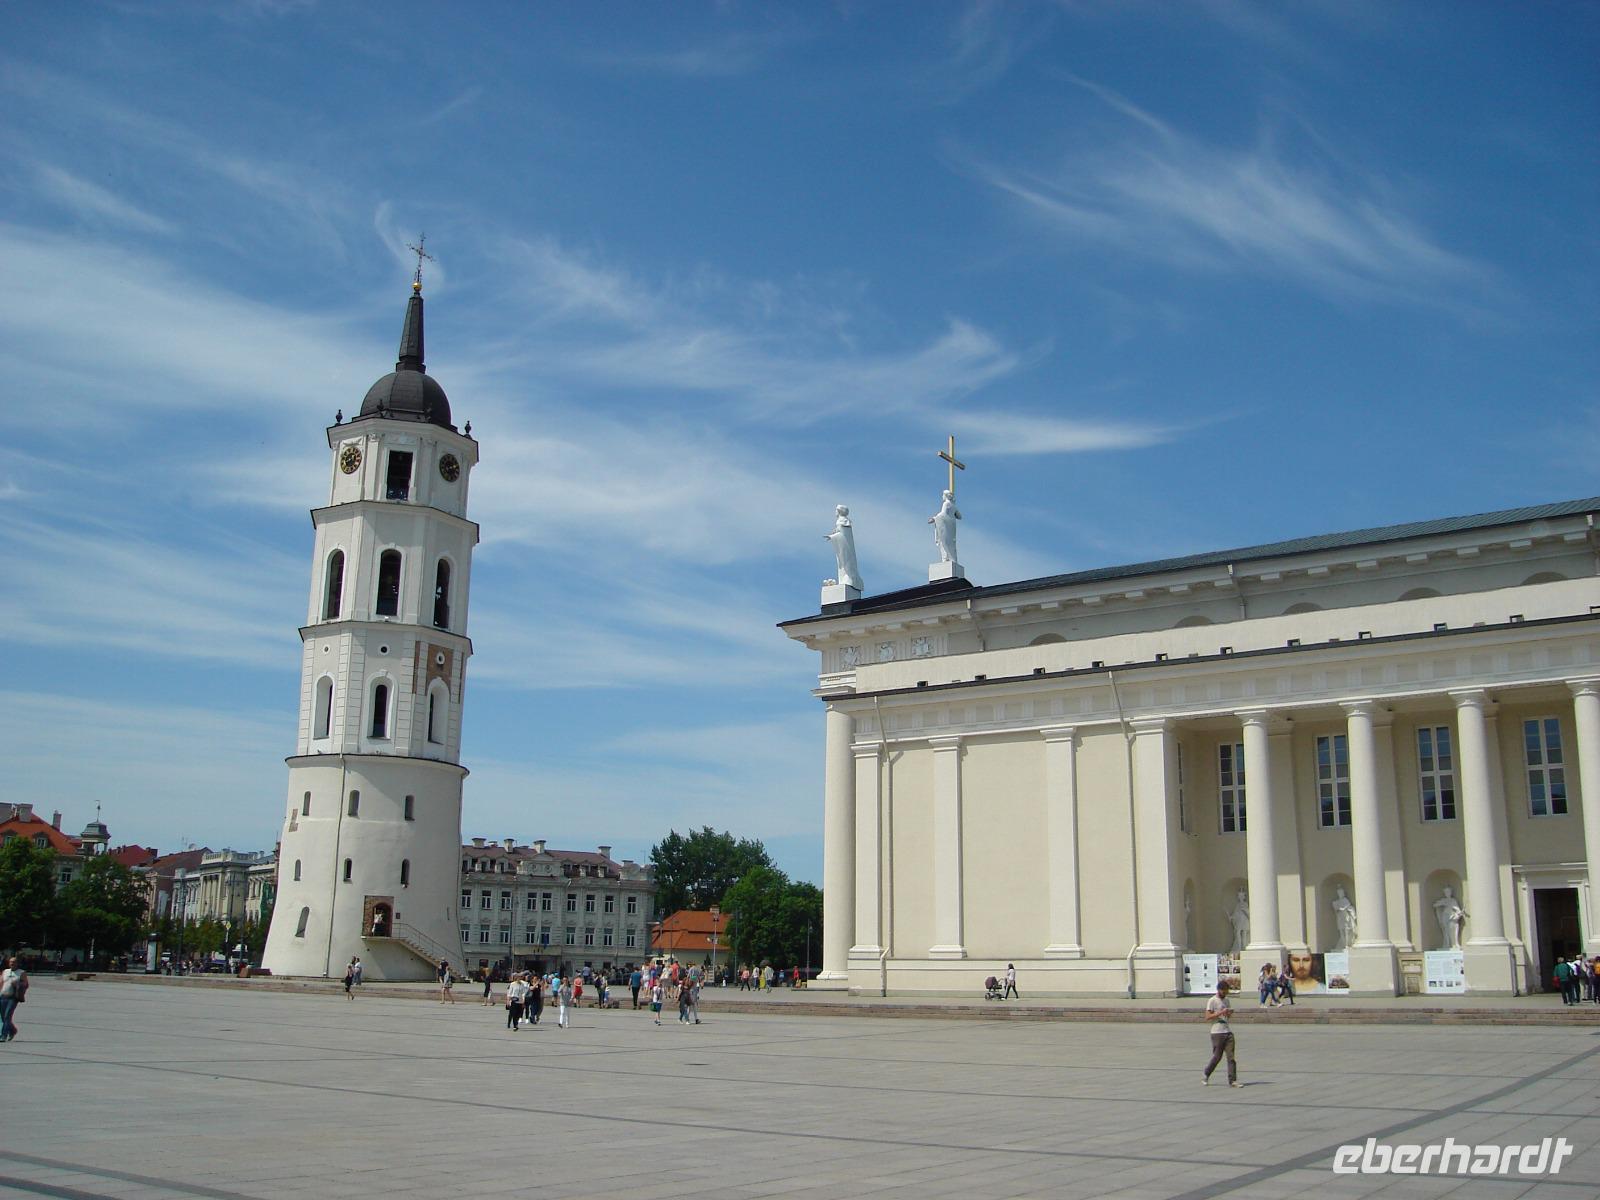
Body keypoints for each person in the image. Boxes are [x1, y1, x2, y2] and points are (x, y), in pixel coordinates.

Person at [1201, 981, 1240, 1087]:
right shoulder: (1212, 1001)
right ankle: (1206, 1073)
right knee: (1217, 1057)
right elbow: (1208, 1017)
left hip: (1227, 1031)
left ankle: (1232, 1080)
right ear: (1219, 990)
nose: (1225, 993)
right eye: (1224, 991)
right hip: (1217, 1032)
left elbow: (1227, 1016)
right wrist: (1220, 1013)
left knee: (1231, 1057)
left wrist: (1228, 1013)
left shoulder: (1227, 1000)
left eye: (1227, 991)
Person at [928, 489, 961, 564]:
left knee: (944, 542)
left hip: (945, 526)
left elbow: (943, 514)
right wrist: (953, 513)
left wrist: (934, 518)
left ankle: (946, 558)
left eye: (943, 495)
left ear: (946, 496)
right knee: (951, 543)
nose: (942, 496)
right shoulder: (953, 506)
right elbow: (959, 517)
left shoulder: (946, 504)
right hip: (952, 526)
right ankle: (951, 559)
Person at [0, 958, 27, 1042]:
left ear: (17, 963)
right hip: (2, 997)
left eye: (14, 962)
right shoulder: (5, 971)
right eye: (11, 962)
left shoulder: (22, 973)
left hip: (13, 998)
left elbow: (25, 985)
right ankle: (13, 1031)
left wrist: (18, 984)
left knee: (7, 1016)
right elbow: (1, 983)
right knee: (3, 1018)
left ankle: (3, 1035)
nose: (12, 963)